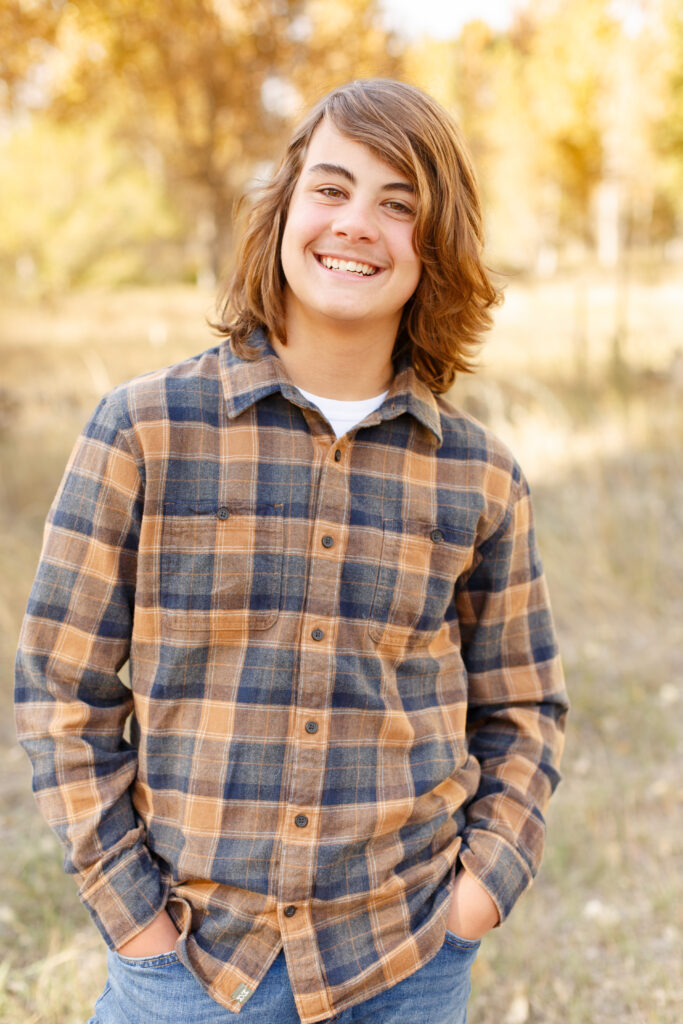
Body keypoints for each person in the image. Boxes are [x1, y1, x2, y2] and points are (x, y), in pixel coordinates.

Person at [14, 79, 568, 1024]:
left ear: (434, 251)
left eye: (400, 206)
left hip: (405, 959)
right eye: (332, 188)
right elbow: (62, 689)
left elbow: (522, 708)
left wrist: (476, 895)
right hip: (188, 966)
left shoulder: (477, 475)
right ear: (282, 212)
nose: (358, 224)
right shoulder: (144, 430)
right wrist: (132, 916)